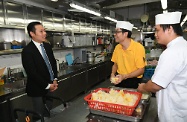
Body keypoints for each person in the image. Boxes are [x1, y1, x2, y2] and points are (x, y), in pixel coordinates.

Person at [137, 11, 187, 122]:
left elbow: (156, 85)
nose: (155, 34)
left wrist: (143, 88)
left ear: (169, 29)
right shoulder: (183, 45)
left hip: (174, 113)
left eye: (157, 30)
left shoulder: (172, 52)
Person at [21, 21, 58, 121]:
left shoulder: (47, 46)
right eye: (41, 31)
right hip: (37, 88)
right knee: (38, 114)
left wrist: (54, 79)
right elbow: (32, 72)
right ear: (32, 34)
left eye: (44, 30)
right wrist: (47, 85)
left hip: (51, 85)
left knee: (48, 110)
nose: (44, 33)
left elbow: (53, 64)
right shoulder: (28, 51)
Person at [110, 21, 146, 88]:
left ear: (125, 34)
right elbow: (115, 64)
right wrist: (112, 74)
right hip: (119, 79)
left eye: (117, 32)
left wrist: (125, 76)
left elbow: (141, 70)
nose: (115, 34)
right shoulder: (117, 47)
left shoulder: (138, 48)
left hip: (134, 81)